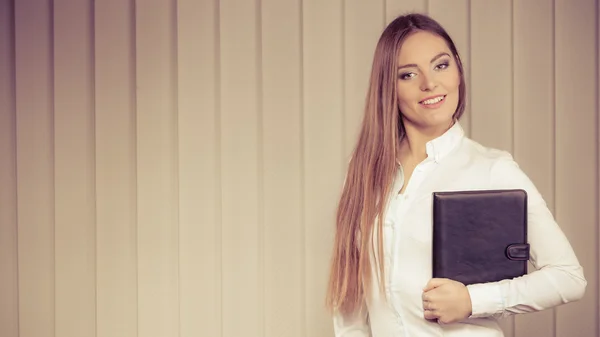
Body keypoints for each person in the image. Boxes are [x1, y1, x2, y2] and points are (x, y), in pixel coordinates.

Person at [325, 13, 587, 337]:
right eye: (408, 74)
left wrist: (473, 300)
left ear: (458, 71)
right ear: (388, 88)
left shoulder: (492, 169)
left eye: (441, 65)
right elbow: (350, 300)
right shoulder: (363, 171)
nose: (429, 83)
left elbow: (568, 277)